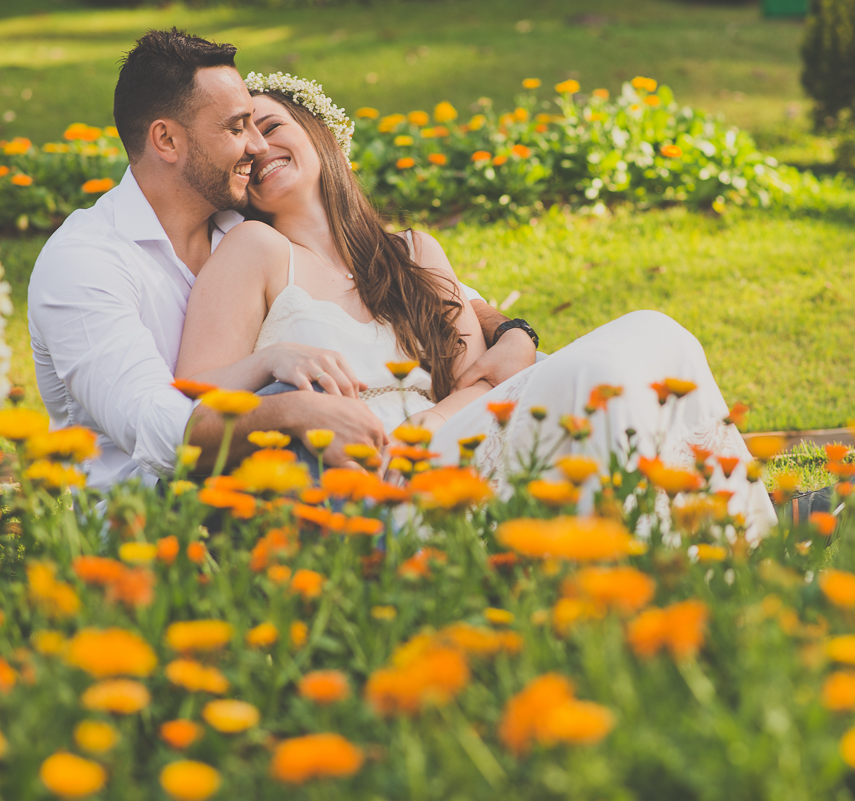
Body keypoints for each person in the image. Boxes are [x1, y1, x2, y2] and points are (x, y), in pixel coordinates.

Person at [174, 72, 779, 537]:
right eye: (243, 144)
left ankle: (731, 536)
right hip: (367, 472)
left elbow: (476, 377)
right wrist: (274, 357)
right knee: (594, 375)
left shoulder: (413, 252)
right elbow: (191, 389)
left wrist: (433, 425)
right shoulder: (256, 250)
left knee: (657, 331)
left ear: (319, 134)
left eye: (271, 126)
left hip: (447, 439)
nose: (257, 148)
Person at [27, 29, 532, 490]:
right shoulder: (87, 263)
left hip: (390, 454)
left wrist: (512, 331)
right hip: (159, 505)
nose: (256, 145)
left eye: (262, 124)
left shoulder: (231, 220)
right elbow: (161, 426)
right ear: (166, 140)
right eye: (237, 127)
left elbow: (425, 295)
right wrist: (295, 407)